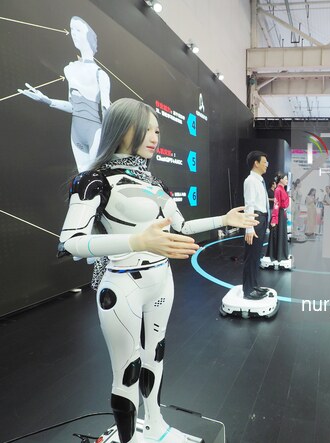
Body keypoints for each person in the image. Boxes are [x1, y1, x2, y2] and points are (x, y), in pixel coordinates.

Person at [57, 98, 258, 443]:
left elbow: (179, 227)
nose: (154, 136)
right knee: (128, 369)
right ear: (121, 128)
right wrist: (137, 242)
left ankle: (156, 424)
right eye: (146, 128)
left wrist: (223, 220)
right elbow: (70, 243)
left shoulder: (155, 183)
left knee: (156, 356)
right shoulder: (93, 180)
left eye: (157, 130)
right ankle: (128, 438)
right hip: (122, 285)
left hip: (160, 280)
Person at [19, 16, 111, 172]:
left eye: (78, 30)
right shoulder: (70, 70)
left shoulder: (100, 74)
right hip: (76, 132)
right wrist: (47, 101)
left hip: (95, 132)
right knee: (83, 178)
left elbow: (107, 109)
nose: (74, 33)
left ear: (89, 35)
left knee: (95, 176)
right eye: (72, 29)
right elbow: (73, 106)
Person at [243, 151, 270, 300]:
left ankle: (254, 286)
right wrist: (249, 227)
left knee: (256, 257)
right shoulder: (250, 181)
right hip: (255, 219)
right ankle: (248, 290)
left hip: (261, 219)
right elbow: (249, 205)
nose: (266, 165)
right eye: (264, 162)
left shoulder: (259, 180)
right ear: (256, 163)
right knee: (251, 256)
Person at [266, 172, 290, 263]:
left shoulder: (282, 189)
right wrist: (274, 218)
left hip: (282, 214)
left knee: (282, 234)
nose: (287, 180)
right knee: (278, 234)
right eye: (286, 178)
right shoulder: (278, 190)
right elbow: (276, 204)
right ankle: (277, 255)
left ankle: (282, 254)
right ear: (281, 179)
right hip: (279, 214)